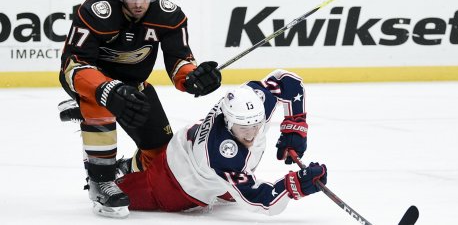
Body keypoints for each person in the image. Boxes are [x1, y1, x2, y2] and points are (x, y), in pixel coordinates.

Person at [58, 0, 222, 218]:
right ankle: (101, 180)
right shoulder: (96, 10)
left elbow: (180, 61)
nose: (138, 2)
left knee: (161, 159)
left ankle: (126, 166)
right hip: (95, 81)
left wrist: (195, 78)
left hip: (135, 87)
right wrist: (105, 89)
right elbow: (71, 66)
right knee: (100, 103)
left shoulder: (169, 15)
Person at [60, 69, 326, 216]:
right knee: (114, 195)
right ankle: (91, 107)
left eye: (257, 124)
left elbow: (288, 83)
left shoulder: (255, 100)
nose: (252, 133)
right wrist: (295, 185)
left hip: (189, 160)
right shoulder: (223, 153)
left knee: (228, 192)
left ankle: (127, 164)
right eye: (243, 128)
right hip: (172, 188)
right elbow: (262, 200)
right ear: (228, 120)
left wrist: (295, 127)